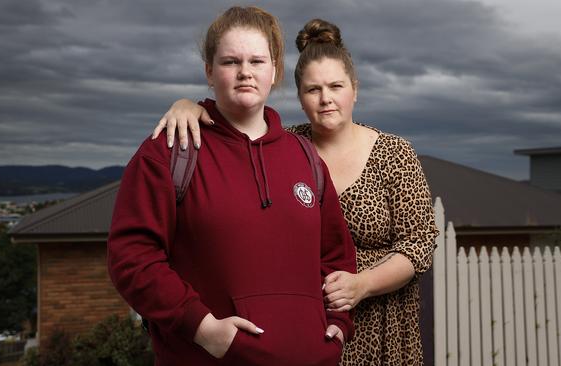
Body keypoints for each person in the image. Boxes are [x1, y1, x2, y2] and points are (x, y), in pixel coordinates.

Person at [152, 18, 439, 366]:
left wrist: (362, 285)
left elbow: (419, 243)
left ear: (355, 89)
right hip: (303, 329)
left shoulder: (394, 153)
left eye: (336, 86)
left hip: (380, 322)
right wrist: (189, 105)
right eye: (312, 89)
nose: (326, 99)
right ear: (299, 96)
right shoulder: (289, 146)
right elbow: (238, 129)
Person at [108, 8, 356, 366]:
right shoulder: (169, 151)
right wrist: (202, 327)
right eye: (230, 61)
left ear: (275, 72)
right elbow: (132, 257)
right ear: (209, 71)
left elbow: (336, 257)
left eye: (257, 60)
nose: (245, 72)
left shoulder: (305, 157)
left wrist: (338, 324)